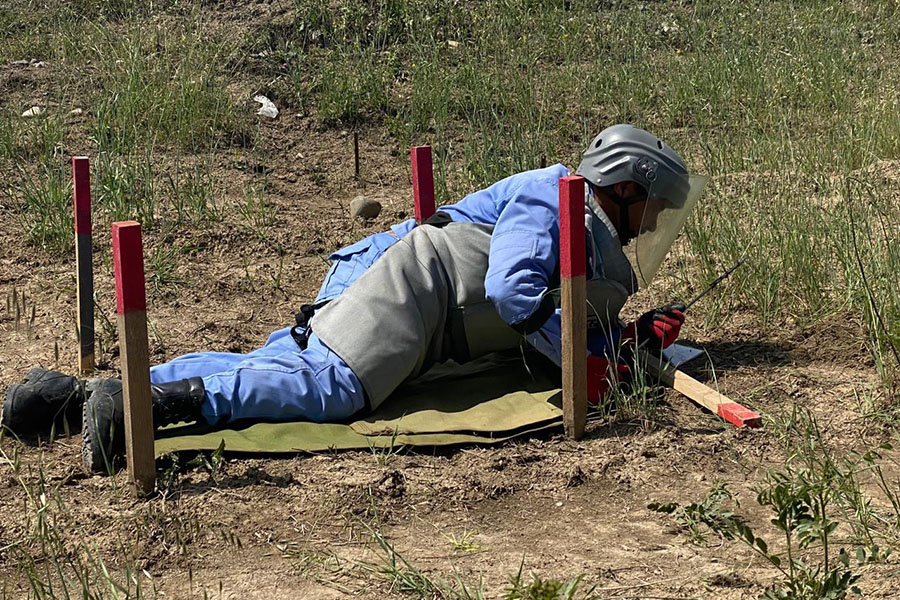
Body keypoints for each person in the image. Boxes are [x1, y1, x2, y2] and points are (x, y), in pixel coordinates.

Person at [1, 124, 702, 473]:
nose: (652, 226)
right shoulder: (558, 200)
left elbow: (553, 306)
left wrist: (617, 343)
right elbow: (513, 291)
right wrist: (586, 357)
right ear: (628, 188)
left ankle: (70, 397)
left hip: (400, 284)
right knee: (333, 389)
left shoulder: (578, 212)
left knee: (286, 365)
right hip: (411, 287)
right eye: (655, 209)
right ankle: (145, 407)